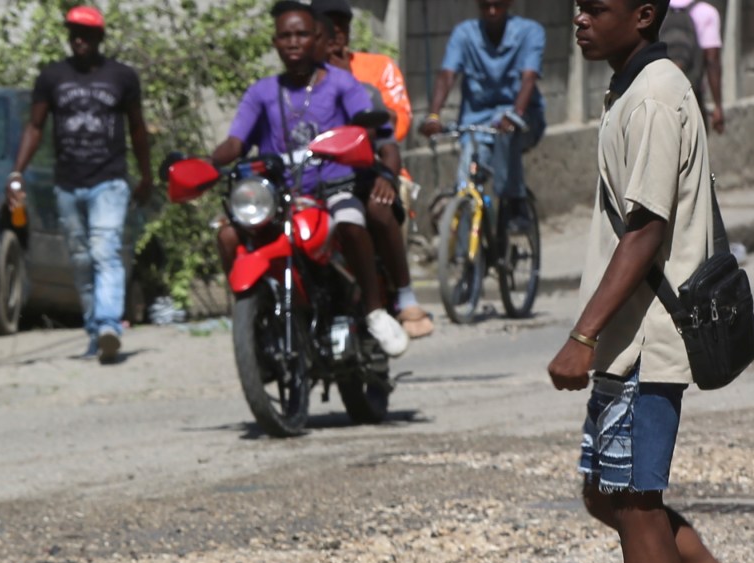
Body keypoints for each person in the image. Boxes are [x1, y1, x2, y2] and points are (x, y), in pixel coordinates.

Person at [547, 0, 754, 563]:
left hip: (644, 339)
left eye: (597, 8)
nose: (580, 19)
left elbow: (647, 229)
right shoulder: (630, 85)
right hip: (630, 338)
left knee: (633, 498)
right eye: (577, 6)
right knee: (612, 495)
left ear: (644, 14)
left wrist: (583, 333)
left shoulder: (655, 95)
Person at [211, 1, 409, 360]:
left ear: (317, 38)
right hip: (281, 196)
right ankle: (256, 318)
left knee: (350, 222)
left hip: (335, 189)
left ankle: (374, 309)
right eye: (285, 35)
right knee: (228, 232)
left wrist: (371, 150)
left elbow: (375, 131)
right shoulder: (262, 92)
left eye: (301, 34)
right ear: (274, 42)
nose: (293, 42)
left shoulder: (341, 84)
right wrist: (210, 161)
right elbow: (236, 142)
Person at [8, 6, 155, 364]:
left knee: (105, 252)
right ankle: (95, 331)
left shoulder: (121, 76)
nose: (79, 39)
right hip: (68, 185)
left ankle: (109, 325)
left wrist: (147, 174)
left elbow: (137, 128)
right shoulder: (52, 76)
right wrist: (17, 173)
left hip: (109, 180)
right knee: (80, 260)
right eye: (73, 32)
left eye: (86, 33)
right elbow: (36, 127)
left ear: (100, 37)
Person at [314, 0, 433, 339]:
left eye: (342, 24)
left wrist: (345, 81)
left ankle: (403, 296)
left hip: (376, 170)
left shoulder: (377, 69)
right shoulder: (301, 79)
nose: (336, 32)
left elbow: (397, 125)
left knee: (380, 209)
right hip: (317, 178)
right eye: (327, 23)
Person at [426, 0, 547, 225]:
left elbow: (529, 77)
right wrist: (433, 116)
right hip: (477, 122)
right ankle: (464, 251)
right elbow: (447, 75)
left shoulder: (530, 32)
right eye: (485, 5)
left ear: (509, 3)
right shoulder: (464, 34)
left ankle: (515, 202)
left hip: (522, 118)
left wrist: (514, 114)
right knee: (466, 179)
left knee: (507, 136)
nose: (492, 11)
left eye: (498, 5)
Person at [662, 0, 727, 132]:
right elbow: (712, 60)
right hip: (692, 100)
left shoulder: (657, 11)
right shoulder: (707, 13)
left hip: (659, 98)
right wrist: (718, 107)